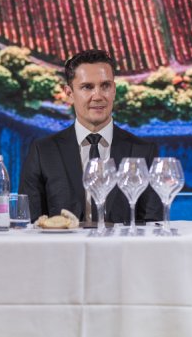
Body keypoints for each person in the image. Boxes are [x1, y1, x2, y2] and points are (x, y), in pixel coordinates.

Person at [20, 49, 162, 223]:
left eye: (105, 86)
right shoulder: (43, 152)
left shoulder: (143, 152)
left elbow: (153, 225)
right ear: (69, 93)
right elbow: (30, 224)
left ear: (114, 90)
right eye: (87, 87)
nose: (98, 96)